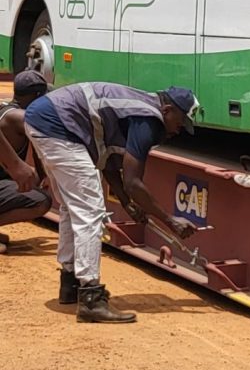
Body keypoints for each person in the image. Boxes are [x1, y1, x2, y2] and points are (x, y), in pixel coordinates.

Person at [24, 81, 201, 323]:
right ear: (167, 110)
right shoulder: (149, 119)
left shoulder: (140, 107)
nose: (179, 129)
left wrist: (128, 203)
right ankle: (91, 298)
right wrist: (170, 221)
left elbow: (106, 161)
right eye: (180, 121)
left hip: (45, 119)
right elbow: (133, 182)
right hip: (58, 125)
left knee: (72, 207)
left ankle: (70, 283)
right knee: (90, 213)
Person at [0, 70, 52, 254]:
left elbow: (36, 146)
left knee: (34, 179)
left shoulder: (8, 109)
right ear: (36, 96)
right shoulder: (18, 118)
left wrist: (44, 175)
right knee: (41, 201)